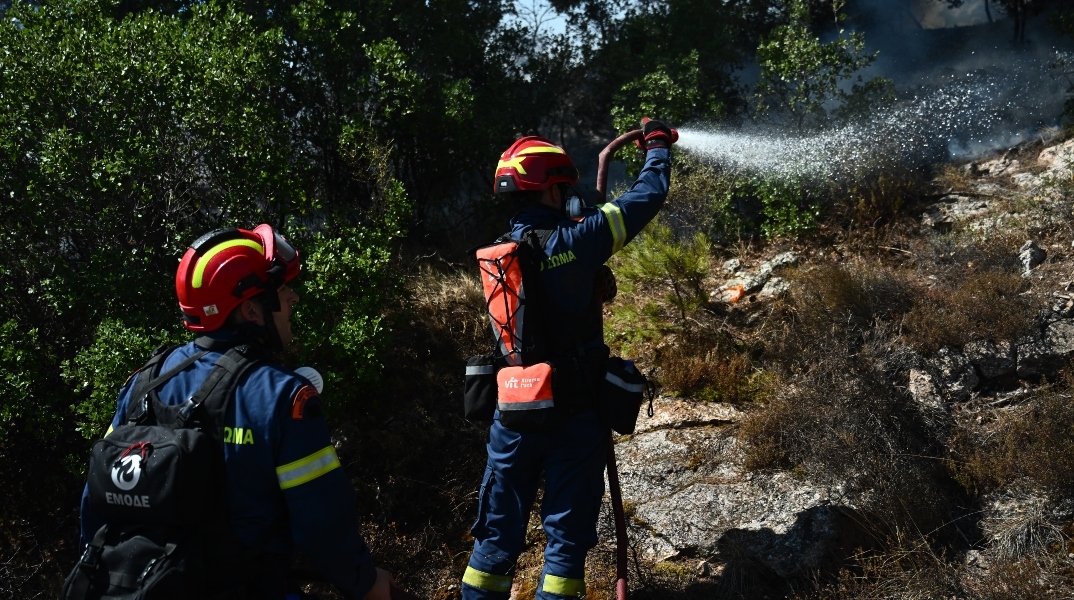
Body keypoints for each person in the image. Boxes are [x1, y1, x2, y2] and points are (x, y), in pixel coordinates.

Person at [78, 224, 394, 600]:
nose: (292, 298)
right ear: (250, 309)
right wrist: (366, 582)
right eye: (280, 291)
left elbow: (95, 508)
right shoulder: (285, 397)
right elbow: (321, 525)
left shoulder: (142, 384)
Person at [462, 120, 675, 598]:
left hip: (511, 415)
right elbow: (646, 196)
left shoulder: (501, 254)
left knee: (494, 541)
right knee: (564, 548)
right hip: (573, 416)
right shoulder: (576, 242)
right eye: (565, 188)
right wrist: (657, 147)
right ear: (553, 192)